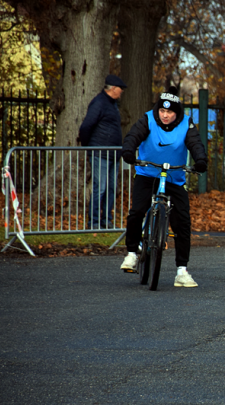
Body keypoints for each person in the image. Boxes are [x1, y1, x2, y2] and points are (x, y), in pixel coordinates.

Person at [119, 87, 207, 288]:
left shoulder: (186, 124)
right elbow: (133, 136)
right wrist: (129, 152)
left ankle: (182, 271)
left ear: (177, 113)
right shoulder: (148, 119)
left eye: (170, 112)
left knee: (182, 222)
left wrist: (200, 160)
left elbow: (195, 144)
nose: (165, 115)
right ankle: (132, 253)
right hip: (147, 175)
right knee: (137, 212)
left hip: (174, 178)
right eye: (162, 111)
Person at [78, 74, 127, 229]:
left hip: (113, 153)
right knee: (100, 188)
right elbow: (86, 126)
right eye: (120, 89)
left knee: (111, 188)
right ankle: (93, 223)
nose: (122, 92)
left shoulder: (112, 104)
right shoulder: (99, 102)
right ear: (113, 88)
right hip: (101, 153)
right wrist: (88, 147)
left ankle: (106, 220)